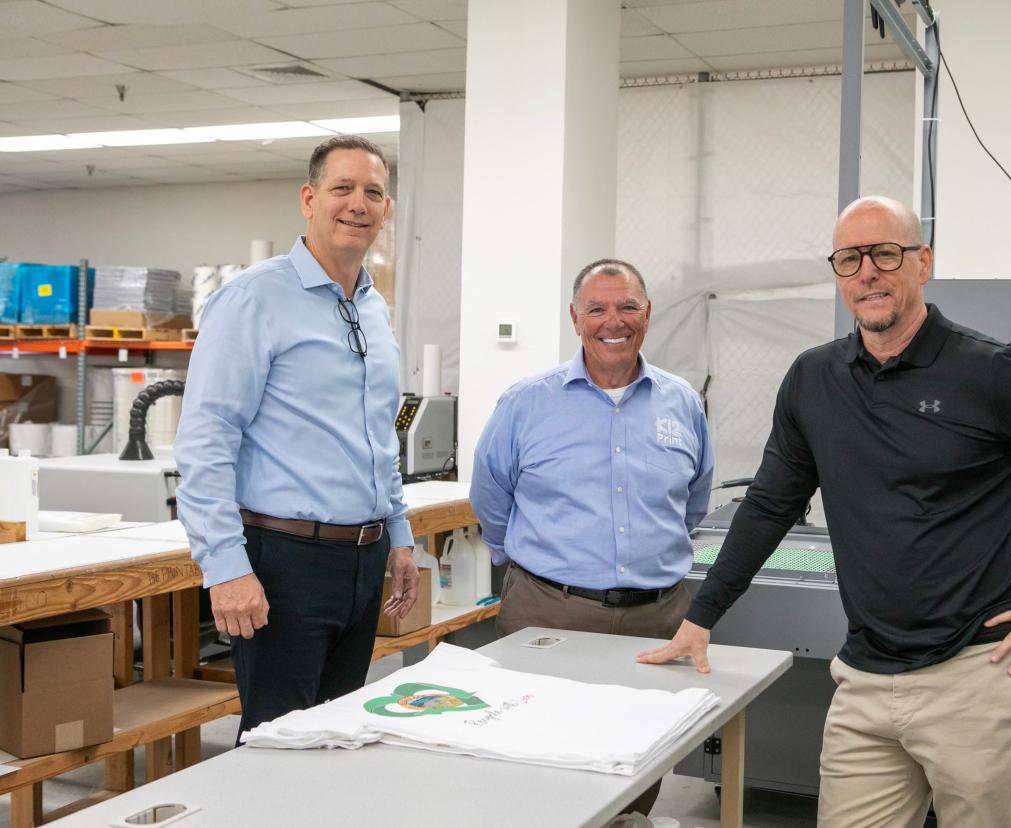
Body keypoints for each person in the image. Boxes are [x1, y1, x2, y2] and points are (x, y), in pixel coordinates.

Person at [638, 196, 1011, 828]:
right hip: (864, 677)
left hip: (980, 674)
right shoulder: (814, 379)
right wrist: (702, 615)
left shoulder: (990, 371)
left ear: (922, 263)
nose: (868, 273)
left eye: (886, 253)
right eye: (850, 259)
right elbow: (772, 504)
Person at [175, 135, 420, 740]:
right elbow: (206, 440)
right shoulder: (257, 297)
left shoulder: (372, 308)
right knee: (278, 746)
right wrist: (225, 567)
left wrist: (400, 534)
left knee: (335, 738)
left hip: (362, 563)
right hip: (284, 564)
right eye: (342, 189)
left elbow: (378, 437)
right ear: (309, 199)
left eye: (373, 193)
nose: (358, 204)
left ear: (387, 210)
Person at [470, 258, 713, 815]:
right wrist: (538, 570)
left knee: (641, 759)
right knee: (538, 759)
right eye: (597, 308)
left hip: (657, 621)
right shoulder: (526, 403)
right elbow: (491, 500)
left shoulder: (681, 402)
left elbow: (693, 501)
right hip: (549, 613)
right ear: (575, 318)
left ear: (647, 314)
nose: (614, 320)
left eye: (628, 306)